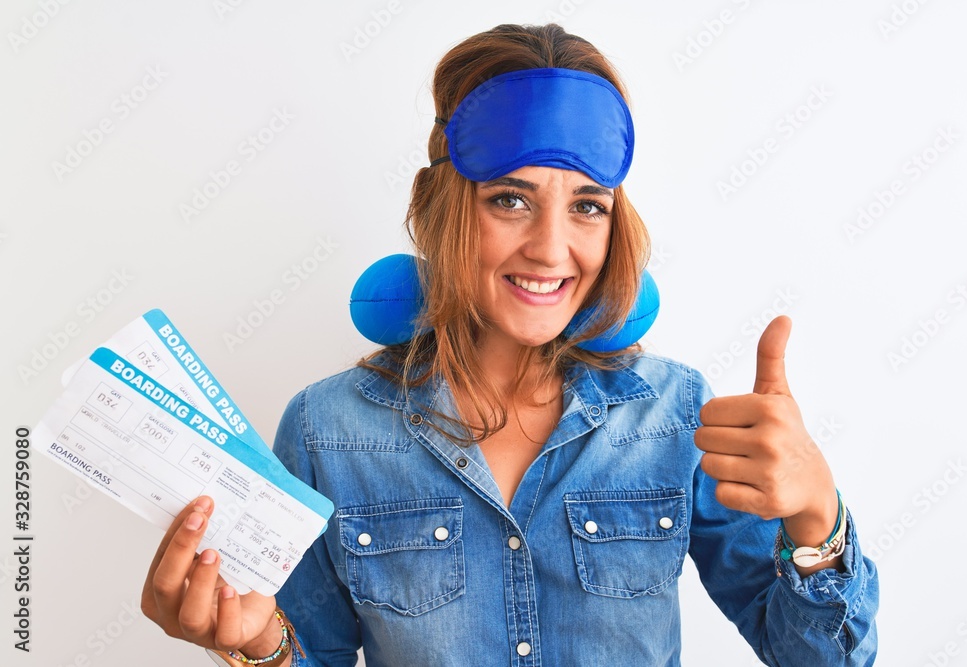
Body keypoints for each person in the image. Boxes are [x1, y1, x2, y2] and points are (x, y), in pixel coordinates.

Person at [141, 23, 878, 666]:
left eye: (587, 206)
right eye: (511, 199)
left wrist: (818, 519)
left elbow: (817, 657)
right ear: (446, 208)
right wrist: (260, 646)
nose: (552, 248)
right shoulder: (325, 429)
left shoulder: (674, 411)